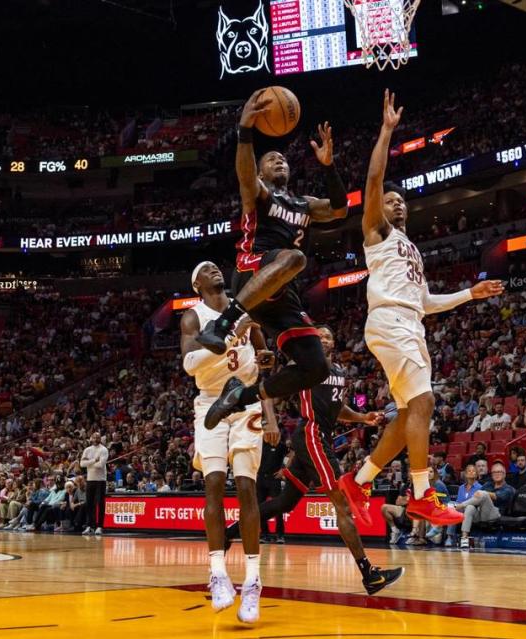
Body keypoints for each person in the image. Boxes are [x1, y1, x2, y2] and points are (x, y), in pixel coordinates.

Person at [339, 90, 505, 527]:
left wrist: (471, 293)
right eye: (391, 200)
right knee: (426, 401)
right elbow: (374, 182)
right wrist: (386, 132)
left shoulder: (411, 248)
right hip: (390, 320)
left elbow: (427, 302)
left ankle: (358, 480)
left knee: (411, 413)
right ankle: (421, 494)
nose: (397, 203)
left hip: (409, 322)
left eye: (401, 201)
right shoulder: (376, 231)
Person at [197, 91, 348, 438]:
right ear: (262, 171)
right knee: (295, 257)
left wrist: (329, 166)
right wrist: (245, 131)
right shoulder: (261, 193)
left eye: (283, 158)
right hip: (251, 272)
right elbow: (245, 176)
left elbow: (339, 210)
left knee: (316, 367)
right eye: (271, 159)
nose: (279, 161)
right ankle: (223, 324)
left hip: (282, 294)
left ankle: (240, 395)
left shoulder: (304, 204)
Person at [224, 326, 404, 595]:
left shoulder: (340, 373)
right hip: (311, 436)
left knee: (287, 502)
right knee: (341, 502)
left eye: (327, 336)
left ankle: (229, 532)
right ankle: (369, 575)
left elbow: (337, 408)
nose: (322, 339)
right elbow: (270, 390)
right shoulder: (305, 367)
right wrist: (270, 420)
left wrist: (363, 417)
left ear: (333, 343)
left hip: (319, 438)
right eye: (317, 336)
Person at [181, 261, 279, 622]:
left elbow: (263, 362)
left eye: (215, 267)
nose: (213, 270)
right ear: (197, 285)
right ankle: (218, 573)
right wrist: (224, 342)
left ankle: (253, 581)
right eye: (205, 270)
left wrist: (269, 410)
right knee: (214, 483)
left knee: (246, 486)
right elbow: (190, 364)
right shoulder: (193, 317)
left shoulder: (245, 309)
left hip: (247, 401)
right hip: (210, 403)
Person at [458, 463, 513, 547]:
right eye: (494, 472)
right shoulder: (488, 485)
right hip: (482, 513)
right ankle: (464, 538)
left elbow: (496, 496)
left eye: (499, 472)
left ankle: (460, 506)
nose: (497, 474)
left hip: (495, 514)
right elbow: (477, 496)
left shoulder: (508, 489)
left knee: (483, 493)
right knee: (470, 507)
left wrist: (484, 493)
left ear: (504, 474)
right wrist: (479, 494)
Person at [79, 432, 109, 535]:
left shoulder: (103, 449)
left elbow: (101, 465)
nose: (96, 438)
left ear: (100, 438)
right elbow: (82, 464)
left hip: (100, 479)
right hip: (90, 479)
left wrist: (89, 463)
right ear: (91, 438)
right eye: (94, 437)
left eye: (98, 437)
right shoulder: (87, 450)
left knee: (100, 503)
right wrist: (93, 461)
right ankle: (89, 526)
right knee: (89, 504)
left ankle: (99, 526)